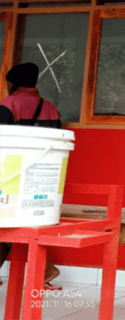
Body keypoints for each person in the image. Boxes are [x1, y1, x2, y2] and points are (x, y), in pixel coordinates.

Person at [0, 62, 62, 289]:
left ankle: (47, 269)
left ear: (14, 83)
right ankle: (47, 269)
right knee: (17, 225)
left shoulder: (9, 104)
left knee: (7, 224)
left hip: (11, 175)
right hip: (42, 180)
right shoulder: (51, 108)